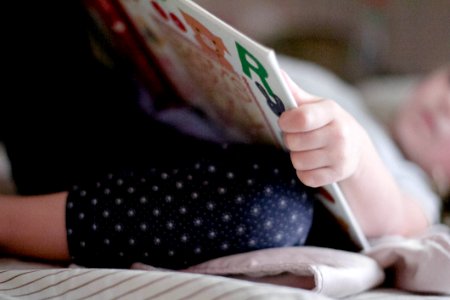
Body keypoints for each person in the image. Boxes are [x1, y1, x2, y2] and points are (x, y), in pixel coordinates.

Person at [0, 1, 446, 269]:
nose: (445, 112)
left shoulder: (415, 180)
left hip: (159, 199)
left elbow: (398, 224)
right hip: (112, 123)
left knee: (273, 209)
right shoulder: (341, 85)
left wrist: (358, 156)